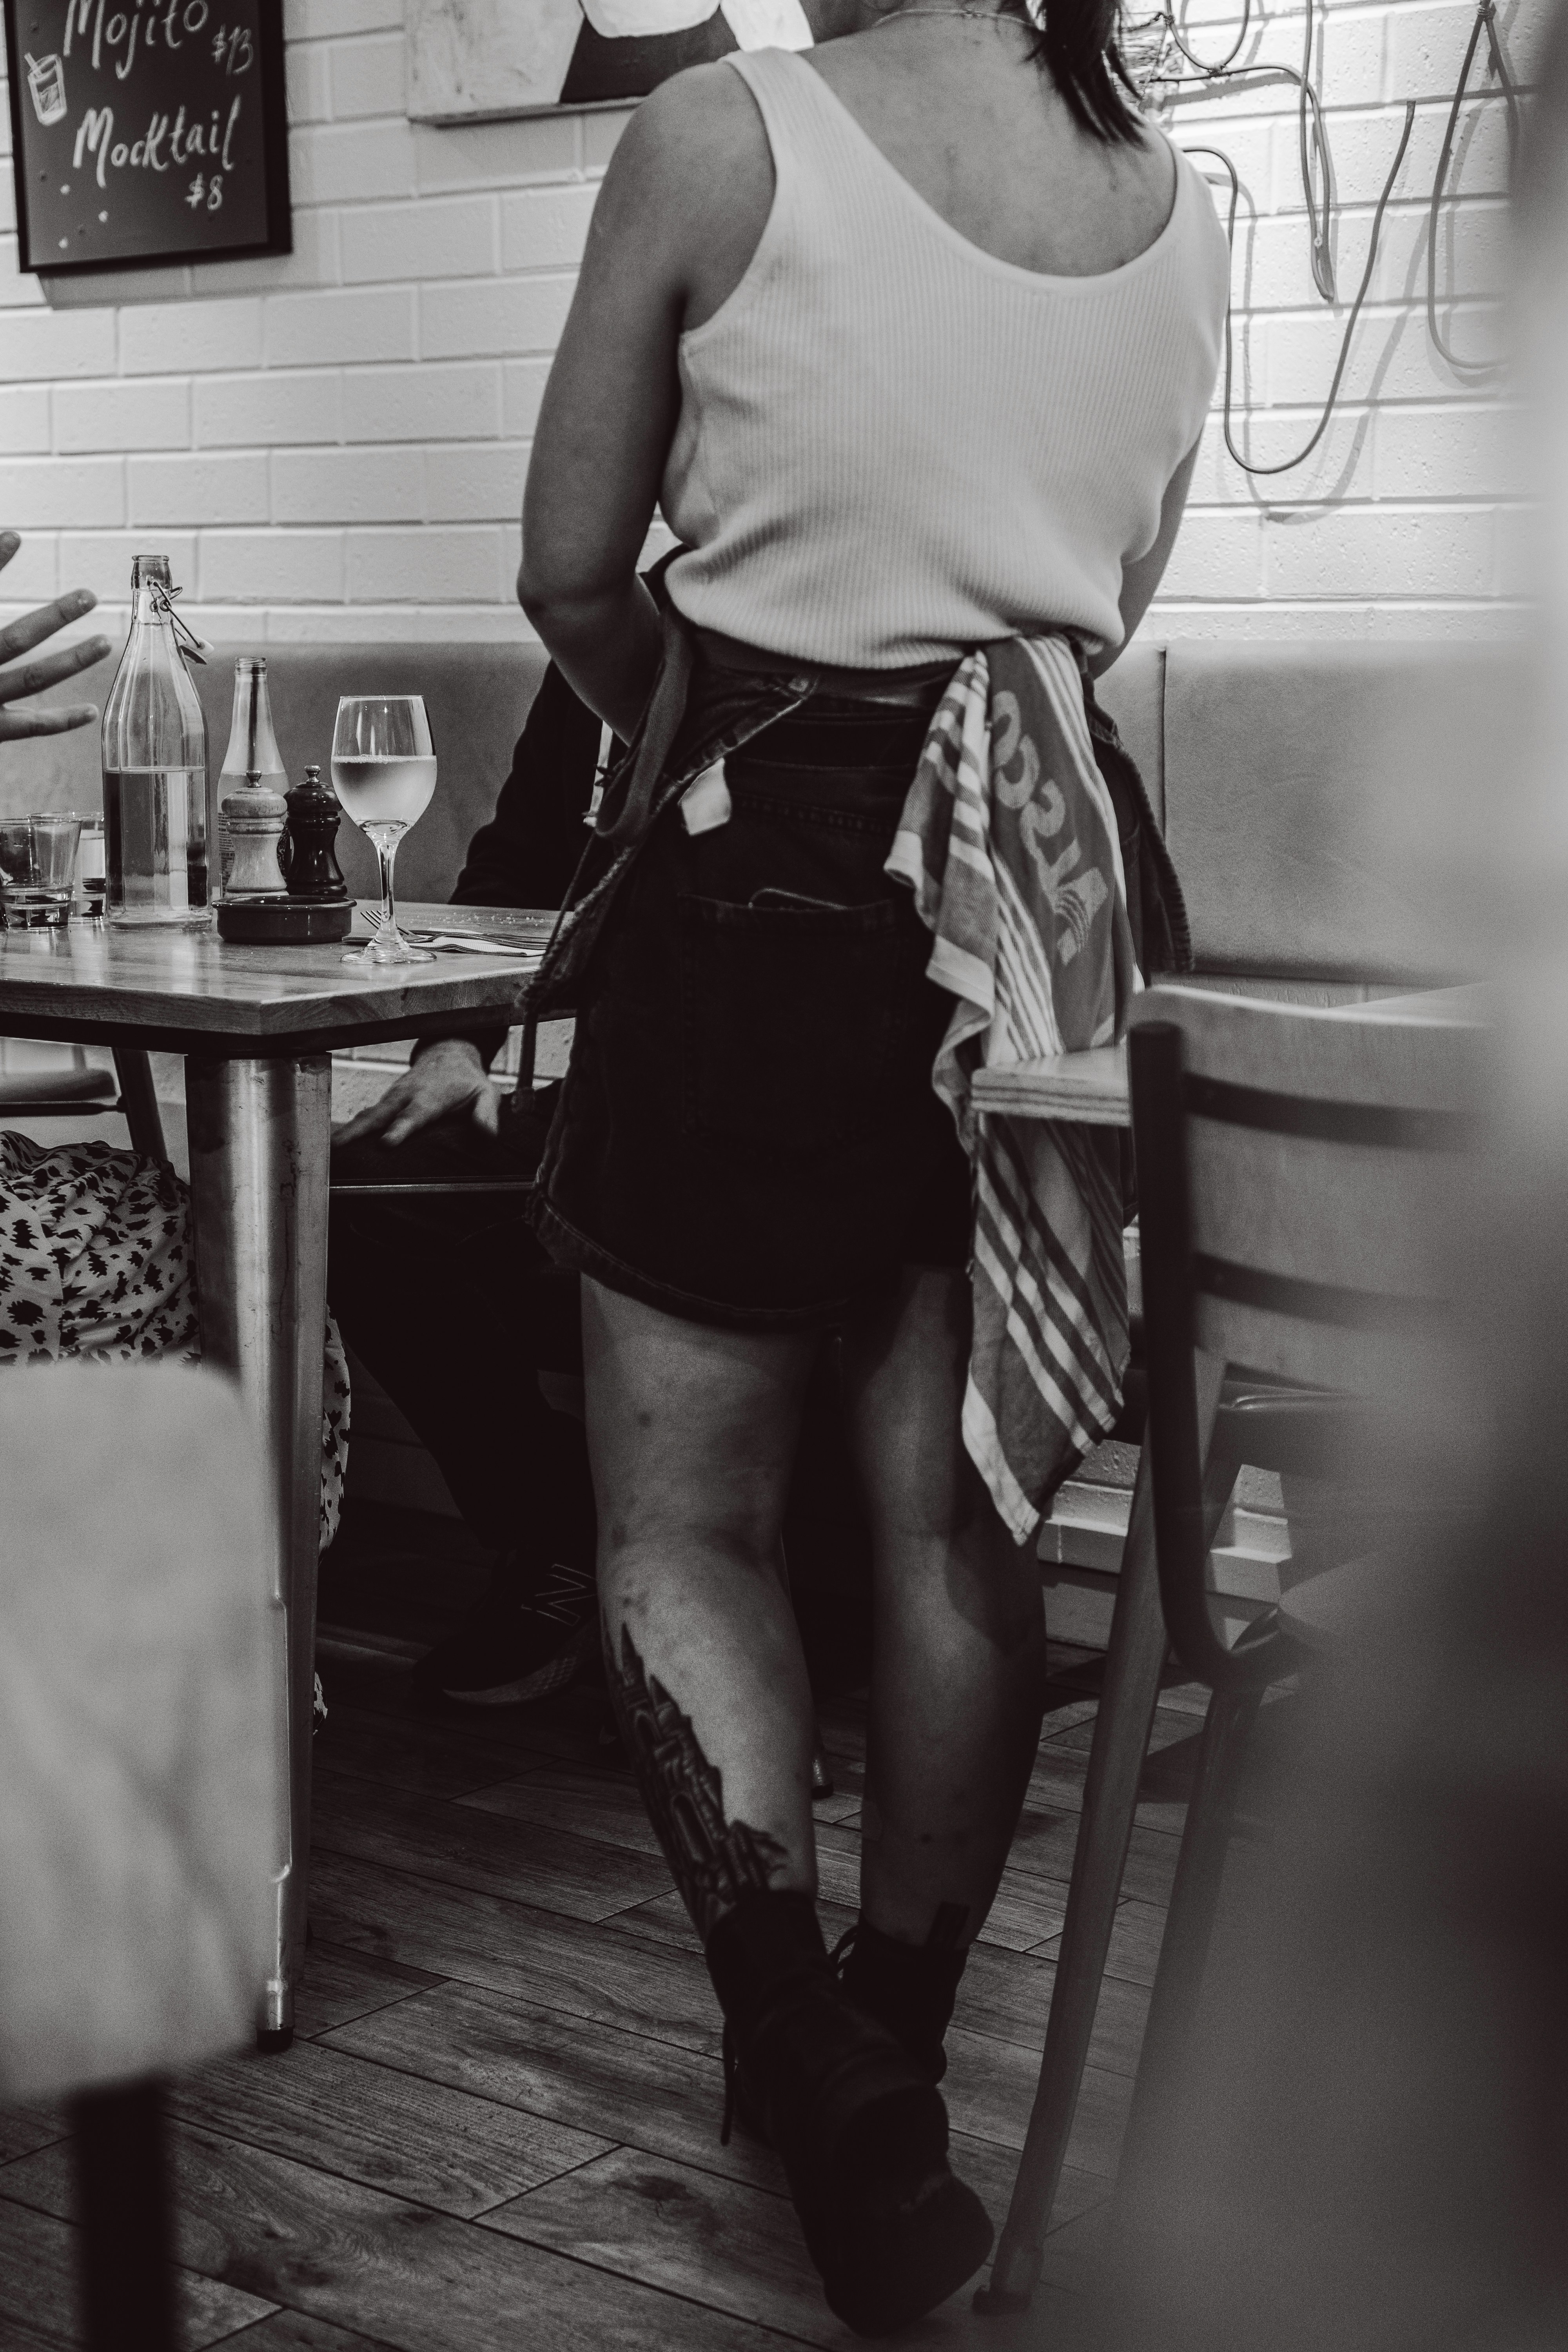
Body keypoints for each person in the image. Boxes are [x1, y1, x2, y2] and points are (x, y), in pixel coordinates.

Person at [517, 0, 1228, 2330]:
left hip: (779, 849)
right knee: (956, 1504)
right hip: (1058, 891)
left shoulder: (726, 133)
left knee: (688, 1509)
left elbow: (570, 572)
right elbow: (1104, 588)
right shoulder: (1167, 202)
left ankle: (811, 2056)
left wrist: (677, 748)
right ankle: (889, 2057)